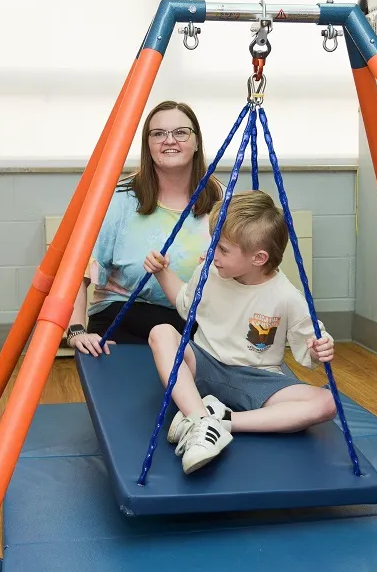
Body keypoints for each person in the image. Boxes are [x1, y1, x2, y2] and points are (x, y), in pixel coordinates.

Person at [144, 190, 336, 475]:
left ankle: (221, 420)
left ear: (258, 258)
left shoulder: (286, 296)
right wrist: (162, 273)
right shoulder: (209, 271)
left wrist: (320, 348)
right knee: (161, 332)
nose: (212, 254)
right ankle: (198, 418)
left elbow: (310, 347)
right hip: (205, 363)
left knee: (327, 402)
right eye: (214, 245)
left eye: (222, 249)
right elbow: (186, 305)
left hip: (256, 378)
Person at [66, 100, 222, 356]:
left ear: (196, 143)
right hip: (124, 316)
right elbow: (76, 272)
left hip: (195, 323)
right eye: (158, 134)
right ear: (147, 145)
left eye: (180, 132)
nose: (169, 140)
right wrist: (76, 330)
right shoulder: (118, 199)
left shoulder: (221, 201)